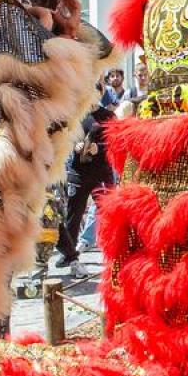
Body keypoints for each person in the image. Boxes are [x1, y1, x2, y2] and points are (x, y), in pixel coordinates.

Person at [58, 103, 114, 277]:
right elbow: (62, 138)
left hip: (101, 175)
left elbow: (117, 142)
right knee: (73, 216)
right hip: (78, 174)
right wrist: (74, 146)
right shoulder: (74, 114)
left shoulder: (107, 116)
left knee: (109, 215)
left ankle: (113, 254)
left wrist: (100, 148)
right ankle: (69, 253)